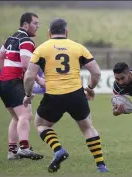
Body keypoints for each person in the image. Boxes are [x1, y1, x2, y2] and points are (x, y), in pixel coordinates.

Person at [23, 18, 108, 173]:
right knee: (87, 128)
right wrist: (89, 88)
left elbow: (29, 76)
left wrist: (28, 94)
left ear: (49, 33)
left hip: (54, 96)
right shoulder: (78, 48)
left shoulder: (41, 49)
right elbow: (96, 72)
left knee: (41, 125)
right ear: (67, 32)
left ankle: (58, 149)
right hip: (76, 94)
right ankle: (101, 165)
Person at [0, 12, 45, 160]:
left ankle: (12, 151)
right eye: (35, 23)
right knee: (25, 115)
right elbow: (26, 64)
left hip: (2, 82)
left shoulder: (10, 38)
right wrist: (38, 80)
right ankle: (24, 148)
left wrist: (6, 73)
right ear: (25, 24)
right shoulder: (26, 40)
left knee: (17, 118)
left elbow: (0, 58)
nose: (38, 26)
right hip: (14, 82)